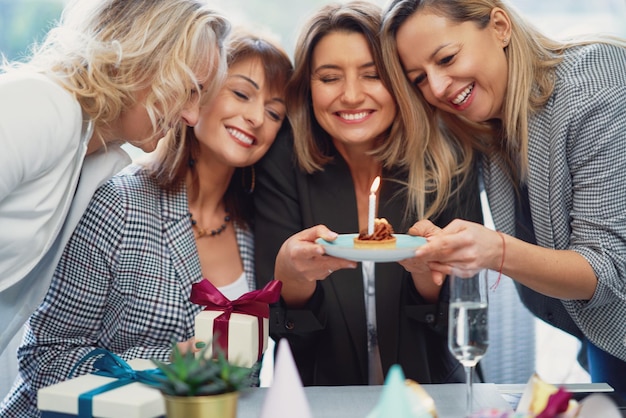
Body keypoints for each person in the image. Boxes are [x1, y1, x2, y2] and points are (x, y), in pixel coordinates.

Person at [0, 31, 292, 416]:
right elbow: (44, 359)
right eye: (240, 94)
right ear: (196, 94)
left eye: (274, 112)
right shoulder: (118, 203)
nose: (257, 118)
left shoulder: (260, 230)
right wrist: (161, 370)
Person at [380, 0, 626, 397]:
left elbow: (608, 270)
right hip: (604, 343)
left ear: (499, 26)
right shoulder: (486, 123)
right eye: (419, 79)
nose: (437, 88)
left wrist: (495, 250)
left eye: (446, 58)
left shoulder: (595, 87)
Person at [254, 1, 482, 386]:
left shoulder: (448, 157)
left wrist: (429, 278)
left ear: (399, 80)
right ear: (309, 90)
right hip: (321, 401)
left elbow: (464, 318)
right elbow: (283, 334)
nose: (352, 96)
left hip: (432, 397)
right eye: (329, 78)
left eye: (372, 75)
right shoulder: (281, 160)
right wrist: (293, 280)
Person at [0, 0, 231, 356]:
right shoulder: (42, 106)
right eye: (188, 89)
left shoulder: (91, 156)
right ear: (141, 56)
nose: (190, 116)